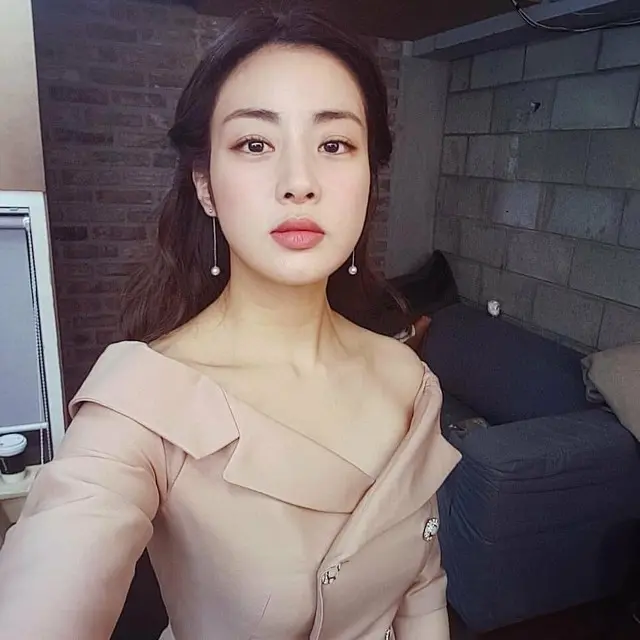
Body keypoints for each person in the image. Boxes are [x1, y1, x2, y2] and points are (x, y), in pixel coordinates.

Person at [0, 9, 460, 639]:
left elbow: (423, 587)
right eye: (254, 144)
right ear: (206, 186)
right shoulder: (142, 404)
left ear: (368, 180)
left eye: (334, 145)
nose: (299, 183)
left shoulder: (407, 377)